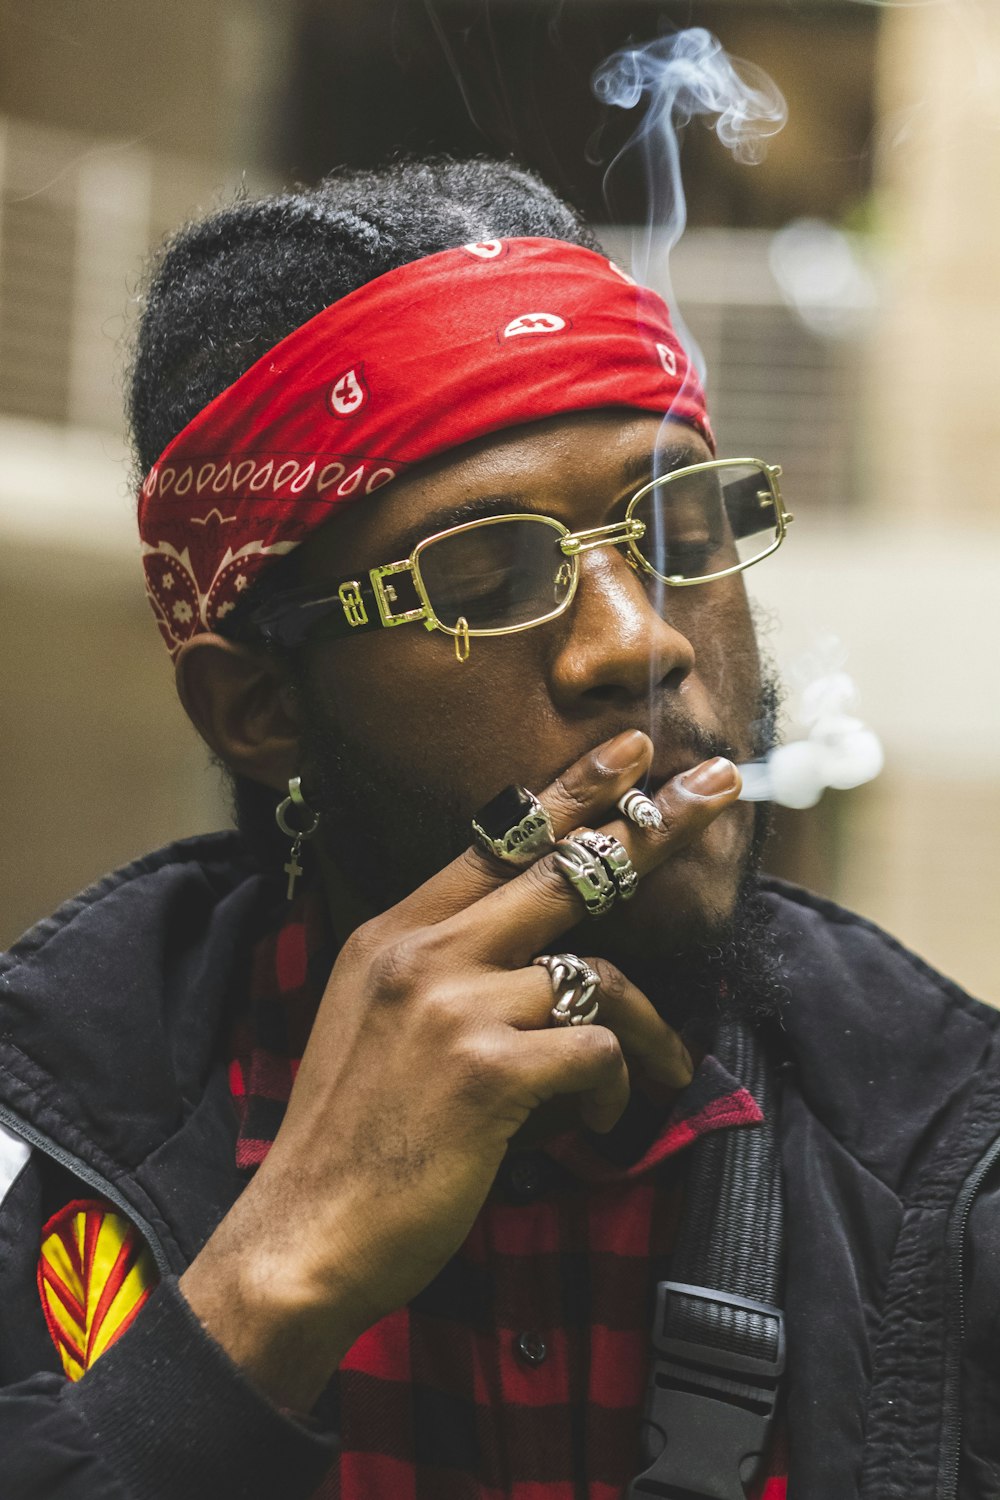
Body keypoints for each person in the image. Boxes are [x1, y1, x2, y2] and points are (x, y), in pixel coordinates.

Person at [1, 157, 998, 1500]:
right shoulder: (32, 1150)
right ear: (258, 709)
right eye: (484, 578)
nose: (639, 640)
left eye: (682, 527)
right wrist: (268, 1287)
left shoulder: (955, 1151)